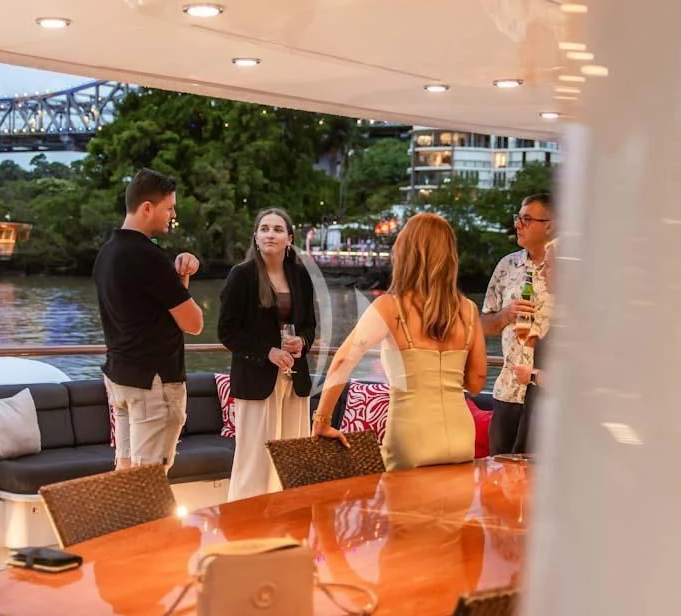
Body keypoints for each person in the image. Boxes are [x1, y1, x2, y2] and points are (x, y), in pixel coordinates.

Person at [314, 212, 487, 471]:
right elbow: (475, 382)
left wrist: (322, 420)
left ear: (407, 252)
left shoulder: (389, 307)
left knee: (403, 511)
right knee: (453, 511)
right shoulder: (469, 310)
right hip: (461, 436)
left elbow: (342, 360)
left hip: (411, 437)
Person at [92, 168, 203, 471]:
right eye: (169, 208)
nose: (172, 215)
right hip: (154, 383)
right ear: (147, 208)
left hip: (122, 378)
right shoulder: (148, 258)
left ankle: (122, 521)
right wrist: (177, 279)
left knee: (127, 475)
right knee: (149, 482)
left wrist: (178, 278)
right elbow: (193, 323)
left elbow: (147, 311)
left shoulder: (107, 253)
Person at [219, 207, 317, 501]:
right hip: (257, 381)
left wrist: (302, 341)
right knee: (255, 461)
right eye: (264, 228)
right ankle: (245, 525)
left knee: (293, 460)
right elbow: (227, 332)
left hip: (294, 380)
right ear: (256, 236)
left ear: (289, 238)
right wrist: (268, 352)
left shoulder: (300, 275)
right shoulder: (242, 275)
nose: (270, 234)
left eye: (277, 229)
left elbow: (310, 324)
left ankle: (290, 523)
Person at [481, 192, 554, 455]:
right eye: (517, 218)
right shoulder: (507, 266)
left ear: (550, 225)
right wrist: (505, 316)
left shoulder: (565, 271)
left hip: (549, 397)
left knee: (535, 481)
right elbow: (482, 325)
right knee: (497, 477)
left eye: (526, 219)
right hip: (508, 393)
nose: (517, 225)